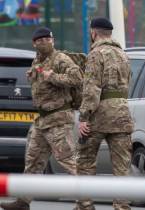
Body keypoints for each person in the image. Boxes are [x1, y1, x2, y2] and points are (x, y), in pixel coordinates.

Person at [0, 27, 82, 210]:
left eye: (48, 39)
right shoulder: (37, 59)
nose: (44, 42)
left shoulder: (61, 59)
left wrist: (52, 76)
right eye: (40, 40)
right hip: (42, 120)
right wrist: (32, 76)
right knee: (33, 161)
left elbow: (77, 78)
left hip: (58, 118)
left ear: (53, 41)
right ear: (34, 43)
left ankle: (85, 203)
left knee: (69, 161)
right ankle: (23, 201)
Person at [76, 17, 134, 210]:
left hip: (99, 115)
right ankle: (122, 206)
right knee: (122, 166)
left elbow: (92, 88)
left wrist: (84, 117)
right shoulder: (123, 54)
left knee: (85, 161)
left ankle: (85, 205)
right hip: (123, 114)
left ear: (94, 33)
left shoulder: (95, 54)